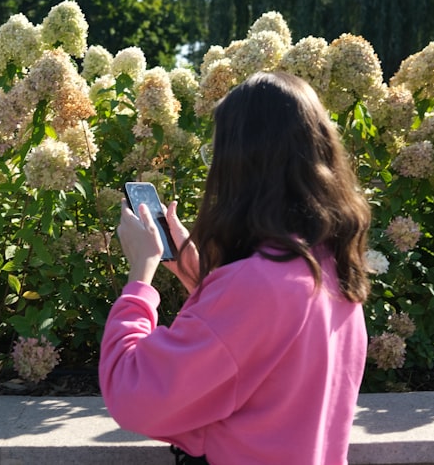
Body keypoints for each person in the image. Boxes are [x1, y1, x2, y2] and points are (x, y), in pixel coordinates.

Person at [99, 71, 371, 465]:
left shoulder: (256, 286)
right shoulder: (331, 266)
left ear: (240, 165)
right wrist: (202, 281)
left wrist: (140, 276)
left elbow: (133, 395)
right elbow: (268, 370)